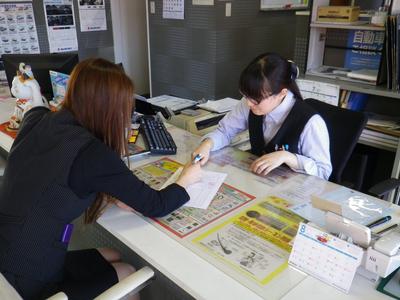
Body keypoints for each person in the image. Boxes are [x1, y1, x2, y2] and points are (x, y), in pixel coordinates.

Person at [0, 58, 201, 300]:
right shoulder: (94, 154)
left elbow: (53, 176)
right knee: (126, 272)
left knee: (112, 253)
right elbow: (157, 205)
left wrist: (109, 189)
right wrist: (186, 178)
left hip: (12, 253)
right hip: (27, 282)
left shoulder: (37, 118)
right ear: (109, 108)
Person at [193, 52, 332, 180]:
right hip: (258, 182)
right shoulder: (250, 102)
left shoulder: (311, 123)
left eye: (256, 100)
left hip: (294, 192)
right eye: (245, 96)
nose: (248, 103)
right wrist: (207, 145)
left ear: (282, 93)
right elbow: (225, 131)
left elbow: (323, 172)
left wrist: (287, 157)